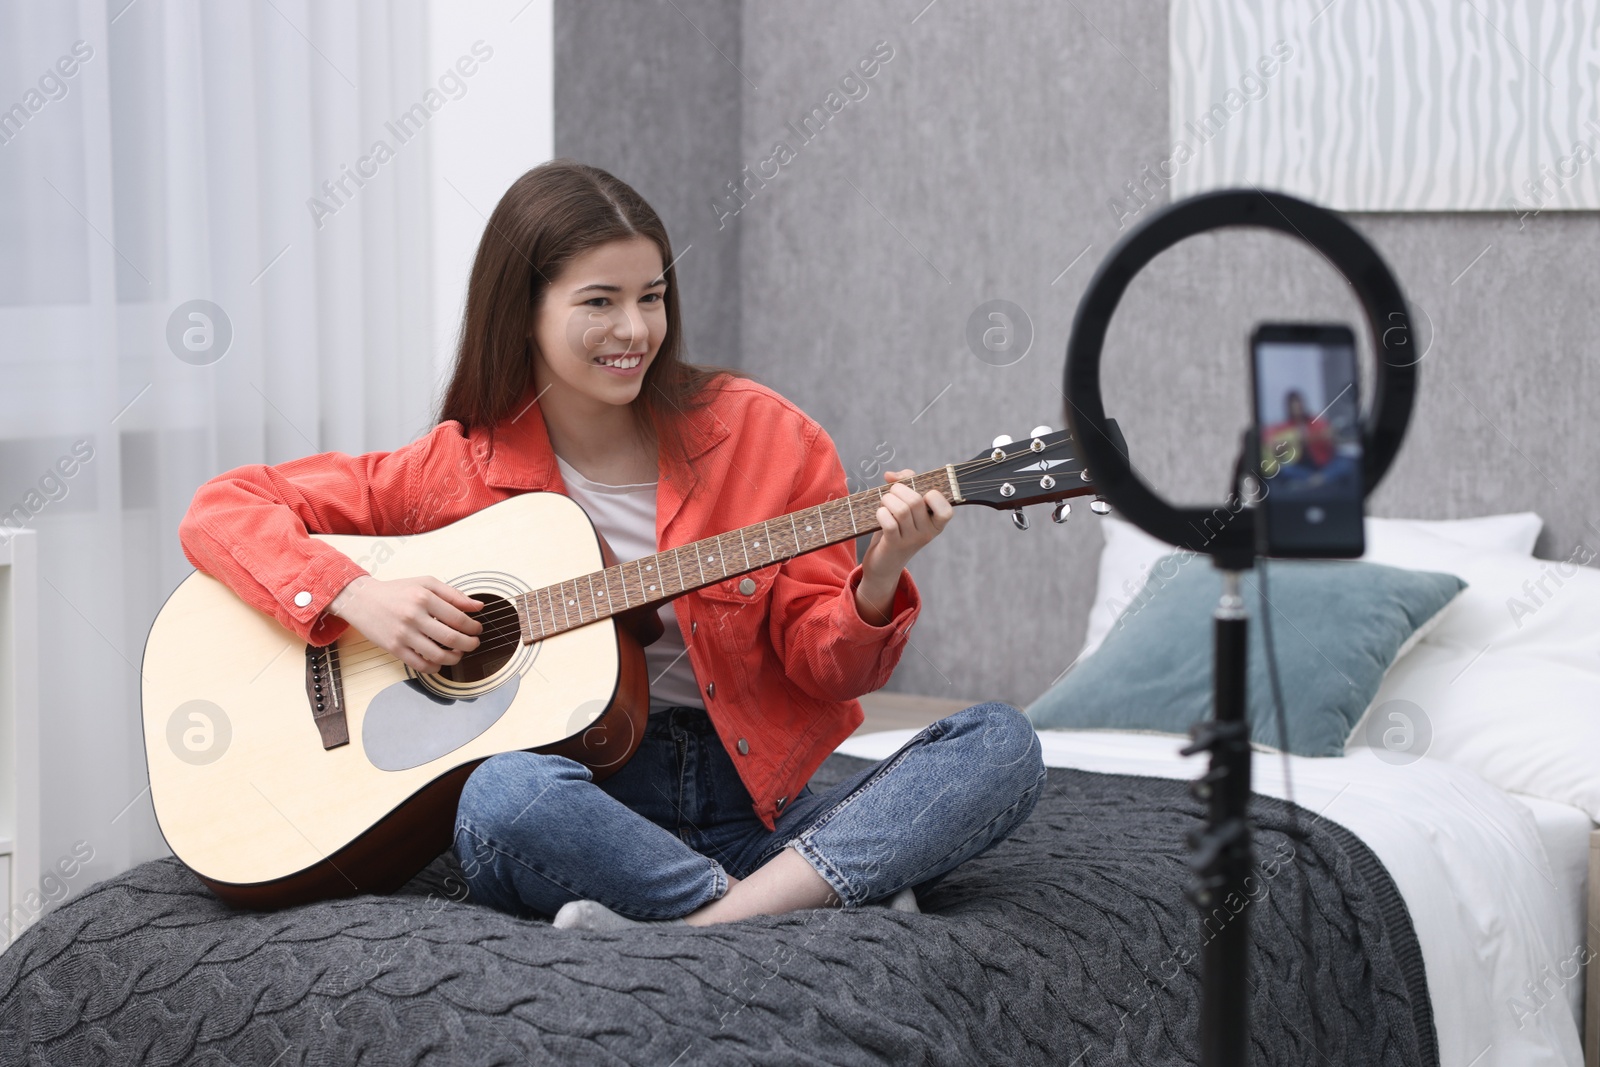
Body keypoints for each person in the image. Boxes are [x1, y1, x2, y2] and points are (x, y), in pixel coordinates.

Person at [178, 159, 1047, 929]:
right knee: (498, 796)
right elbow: (223, 508)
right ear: (523, 313)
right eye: (599, 301)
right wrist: (352, 594)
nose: (635, 330)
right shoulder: (453, 469)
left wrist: (880, 574)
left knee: (1000, 744)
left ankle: (710, 918)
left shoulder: (765, 436)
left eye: (653, 297)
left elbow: (827, 668)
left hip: (757, 810)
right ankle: (789, 903)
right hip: (583, 810)